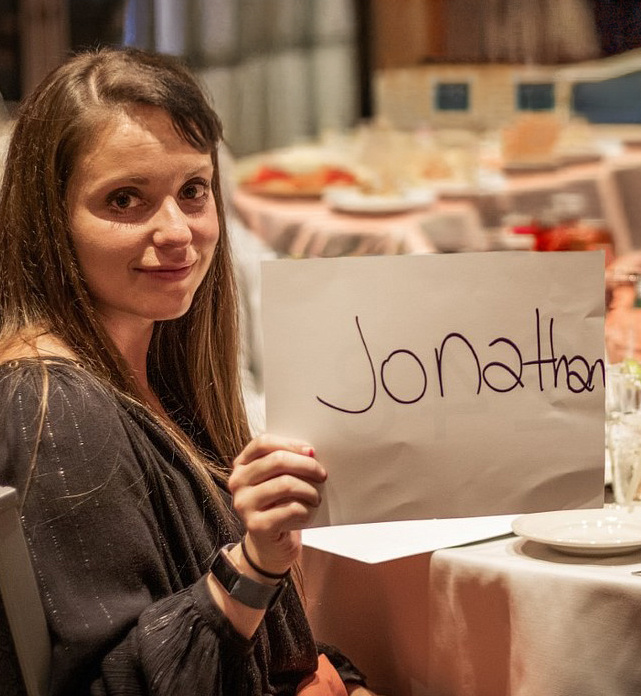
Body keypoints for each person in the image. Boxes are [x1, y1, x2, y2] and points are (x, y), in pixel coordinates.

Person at [0, 47, 378, 695]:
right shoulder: (55, 406)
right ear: (50, 221)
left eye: (192, 191)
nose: (177, 230)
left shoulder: (161, 371)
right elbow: (112, 683)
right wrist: (255, 564)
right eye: (125, 199)